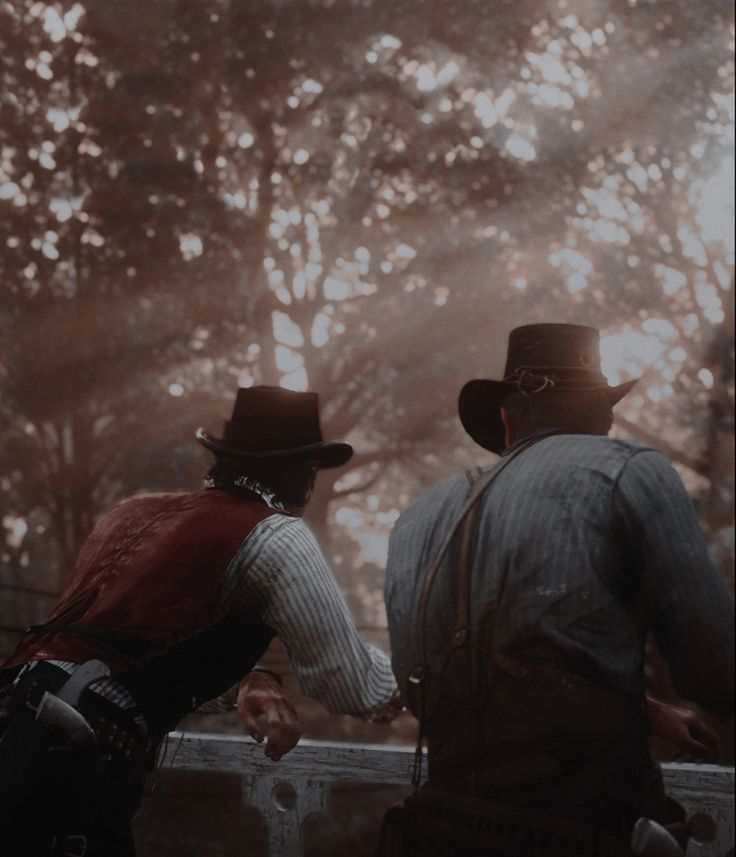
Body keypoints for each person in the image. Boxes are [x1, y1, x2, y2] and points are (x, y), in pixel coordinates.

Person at [0, 385, 400, 856]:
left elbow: (134, 646)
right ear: (302, 468)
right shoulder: (279, 535)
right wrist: (422, 677)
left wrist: (249, 678)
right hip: (72, 750)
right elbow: (349, 684)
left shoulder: (127, 513)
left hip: (13, 708)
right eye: (312, 463)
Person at [383, 324, 734, 856]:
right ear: (603, 412)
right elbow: (716, 672)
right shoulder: (631, 469)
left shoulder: (416, 516)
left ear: (506, 419)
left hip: (438, 827)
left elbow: (456, 684)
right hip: (585, 832)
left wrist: (643, 708)